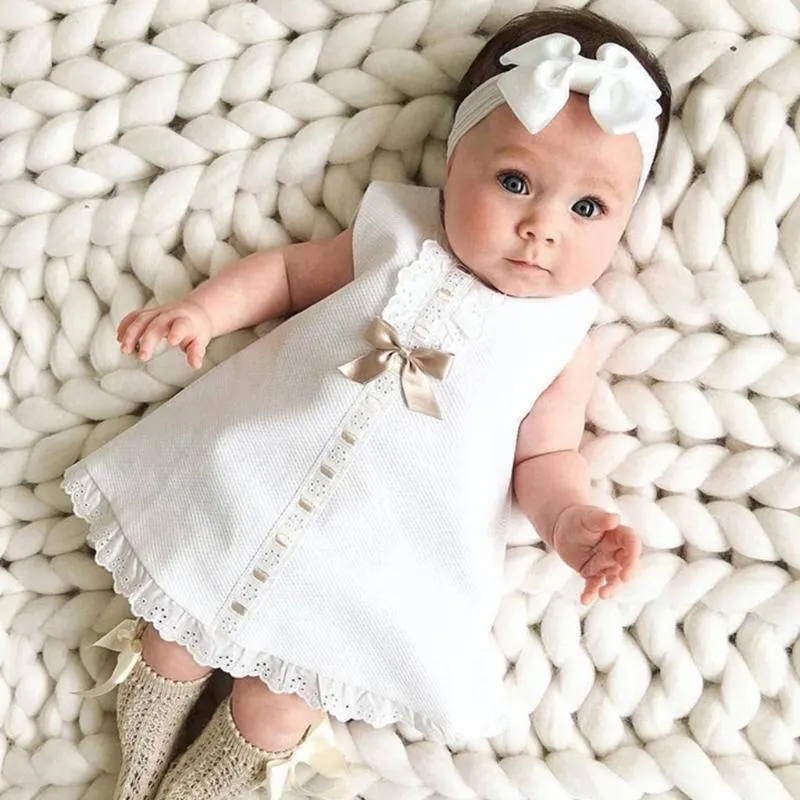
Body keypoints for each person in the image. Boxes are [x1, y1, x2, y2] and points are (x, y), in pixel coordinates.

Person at [62, 8, 672, 800]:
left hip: (381, 554)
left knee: (275, 701)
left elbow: (546, 457)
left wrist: (571, 524)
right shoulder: (395, 228)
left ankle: (211, 781)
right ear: (454, 166)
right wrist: (205, 313)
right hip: (255, 477)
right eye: (515, 182)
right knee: (174, 634)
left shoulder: (562, 336)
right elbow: (285, 276)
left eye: (587, 209)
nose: (539, 229)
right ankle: (138, 757)